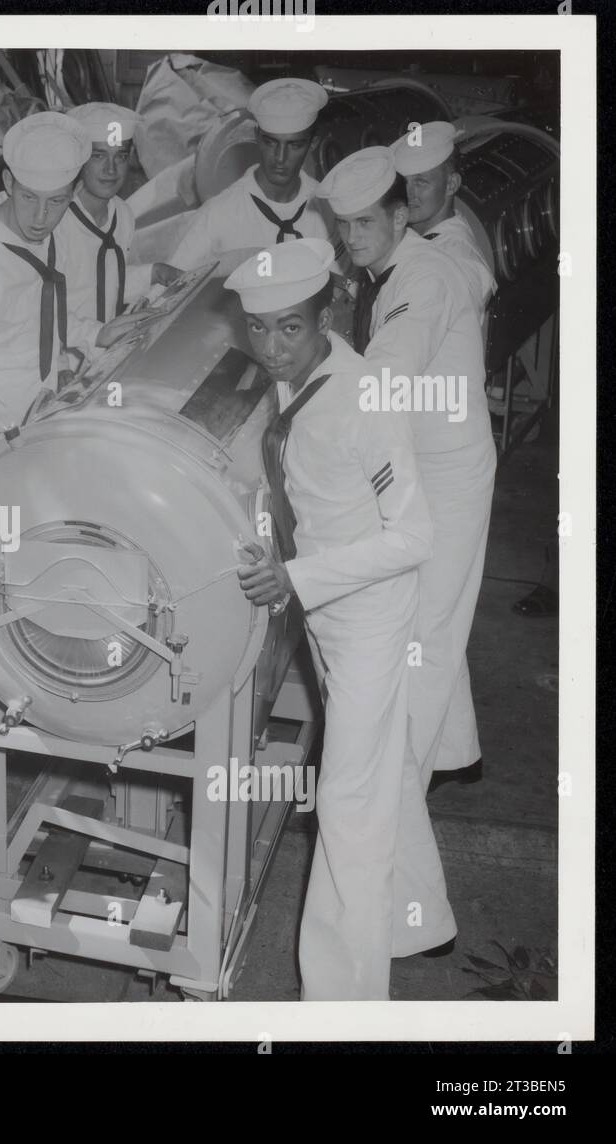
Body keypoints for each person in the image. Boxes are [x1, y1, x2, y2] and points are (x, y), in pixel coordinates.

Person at [227, 237, 448, 999]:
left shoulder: (364, 396)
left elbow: (415, 535)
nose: (272, 347)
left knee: (346, 811)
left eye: (290, 327)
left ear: (327, 316)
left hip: (369, 622)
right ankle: (420, 921)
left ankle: (340, 1002)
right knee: (377, 769)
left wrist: (296, 577)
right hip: (326, 612)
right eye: (259, 329)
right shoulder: (299, 381)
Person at [0, 111, 148, 784]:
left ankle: (22, 739)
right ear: (8, 181)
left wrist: (99, 343)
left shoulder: (51, 236)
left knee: (25, 594)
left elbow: (61, 323)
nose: (46, 215)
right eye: (33, 200)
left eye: (59, 201)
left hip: (40, 437)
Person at [318, 146, 495, 793]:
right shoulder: (390, 269)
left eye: (365, 224)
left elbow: (384, 381)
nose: (352, 239)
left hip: (447, 471)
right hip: (420, 461)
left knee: (427, 628)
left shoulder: (424, 277)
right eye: (345, 227)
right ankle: (456, 752)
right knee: (434, 609)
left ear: (399, 216)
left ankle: (402, 787)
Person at [163, 77, 337, 272]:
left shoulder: (327, 208)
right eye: (271, 143)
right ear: (257, 138)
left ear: (312, 144)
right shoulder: (218, 214)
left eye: (294, 145)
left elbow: (345, 289)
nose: (280, 157)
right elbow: (170, 286)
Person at [58, 101, 178, 323]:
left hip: (104, 348)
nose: (111, 169)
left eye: (120, 156)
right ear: (79, 157)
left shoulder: (122, 215)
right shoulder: (57, 219)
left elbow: (105, 285)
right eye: (99, 155)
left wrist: (153, 273)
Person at [391, 121, 496, 320]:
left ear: (451, 184)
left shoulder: (457, 258)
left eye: (421, 182)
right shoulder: (422, 236)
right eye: (403, 182)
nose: (407, 193)